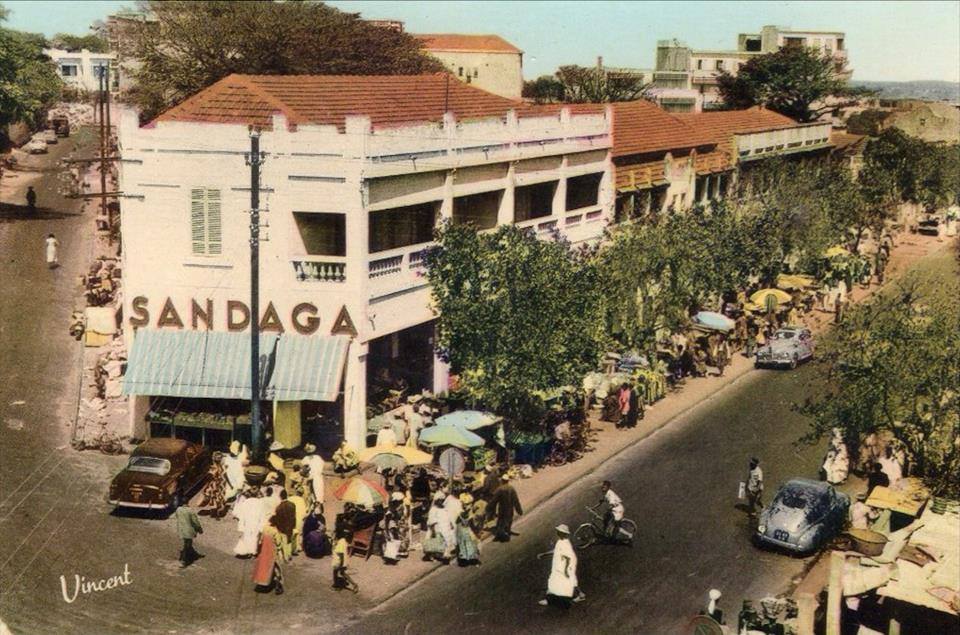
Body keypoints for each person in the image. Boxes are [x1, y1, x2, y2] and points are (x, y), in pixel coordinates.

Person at [539, 525, 585, 607]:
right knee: (561, 579)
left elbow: (567, 557)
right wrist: (544, 554)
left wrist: (566, 570)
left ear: (564, 534)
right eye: (558, 531)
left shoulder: (565, 544)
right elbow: (556, 551)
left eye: (560, 532)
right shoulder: (560, 541)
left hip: (566, 564)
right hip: (561, 564)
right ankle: (580, 594)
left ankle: (549, 600)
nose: (558, 533)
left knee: (564, 579)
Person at [252, 516, 285, 594]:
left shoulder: (265, 528)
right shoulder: (275, 531)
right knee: (276, 568)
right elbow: (278, 543)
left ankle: (262, 583)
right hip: (272, 551)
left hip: (264, 551)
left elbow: (260, 539)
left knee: (263, 567)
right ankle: (278, 584)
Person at [488, 474, 523, 542]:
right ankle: (507, 531)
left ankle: (500, 535)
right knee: (509, 520)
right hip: (510, 508)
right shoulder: (511, 488)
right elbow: (516, 500)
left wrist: (489, 507)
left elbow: (494, 500)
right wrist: (519, 510)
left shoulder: (499, 489)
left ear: (502, 481)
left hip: (502, 508)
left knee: (500, 522)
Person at [232, 488, 264, 557]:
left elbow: (242, 514)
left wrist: (241, 525)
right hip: (256, 521)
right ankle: (253, 551)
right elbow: (262, 514)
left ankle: (246, 550)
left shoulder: (245, 502)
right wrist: (262, 524)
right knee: (255, 536)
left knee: (246, 536)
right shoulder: (260, 503)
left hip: (247, 521)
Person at [199, 452, 229, 519]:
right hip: (221, 485)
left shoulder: (212, 468)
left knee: (213, 499)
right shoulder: (222, 467)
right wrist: (229, 484)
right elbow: (225, 476)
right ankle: (218, 512)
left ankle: (214, 513)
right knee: (219, 498)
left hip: (214, 485)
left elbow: (209, 478)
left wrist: (205, 487)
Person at [175, 501, 203, 568]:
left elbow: (177, 516)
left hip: (181, 530)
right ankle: (184, 560)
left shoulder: (178, 509)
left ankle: (192, 554)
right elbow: (195, 522)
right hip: (189, 531)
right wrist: (200, 529)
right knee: (187, 545)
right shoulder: (190, 511)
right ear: (188, 503)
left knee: (187, 543)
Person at [301, 444, 325, 509]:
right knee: (312, 492)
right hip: (311, 477)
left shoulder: (316, 458)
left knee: (317, 491)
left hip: (315, 477)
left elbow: (321, 467)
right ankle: (315, 504)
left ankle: (317, 503)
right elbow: (303, 469)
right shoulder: (307, 459)